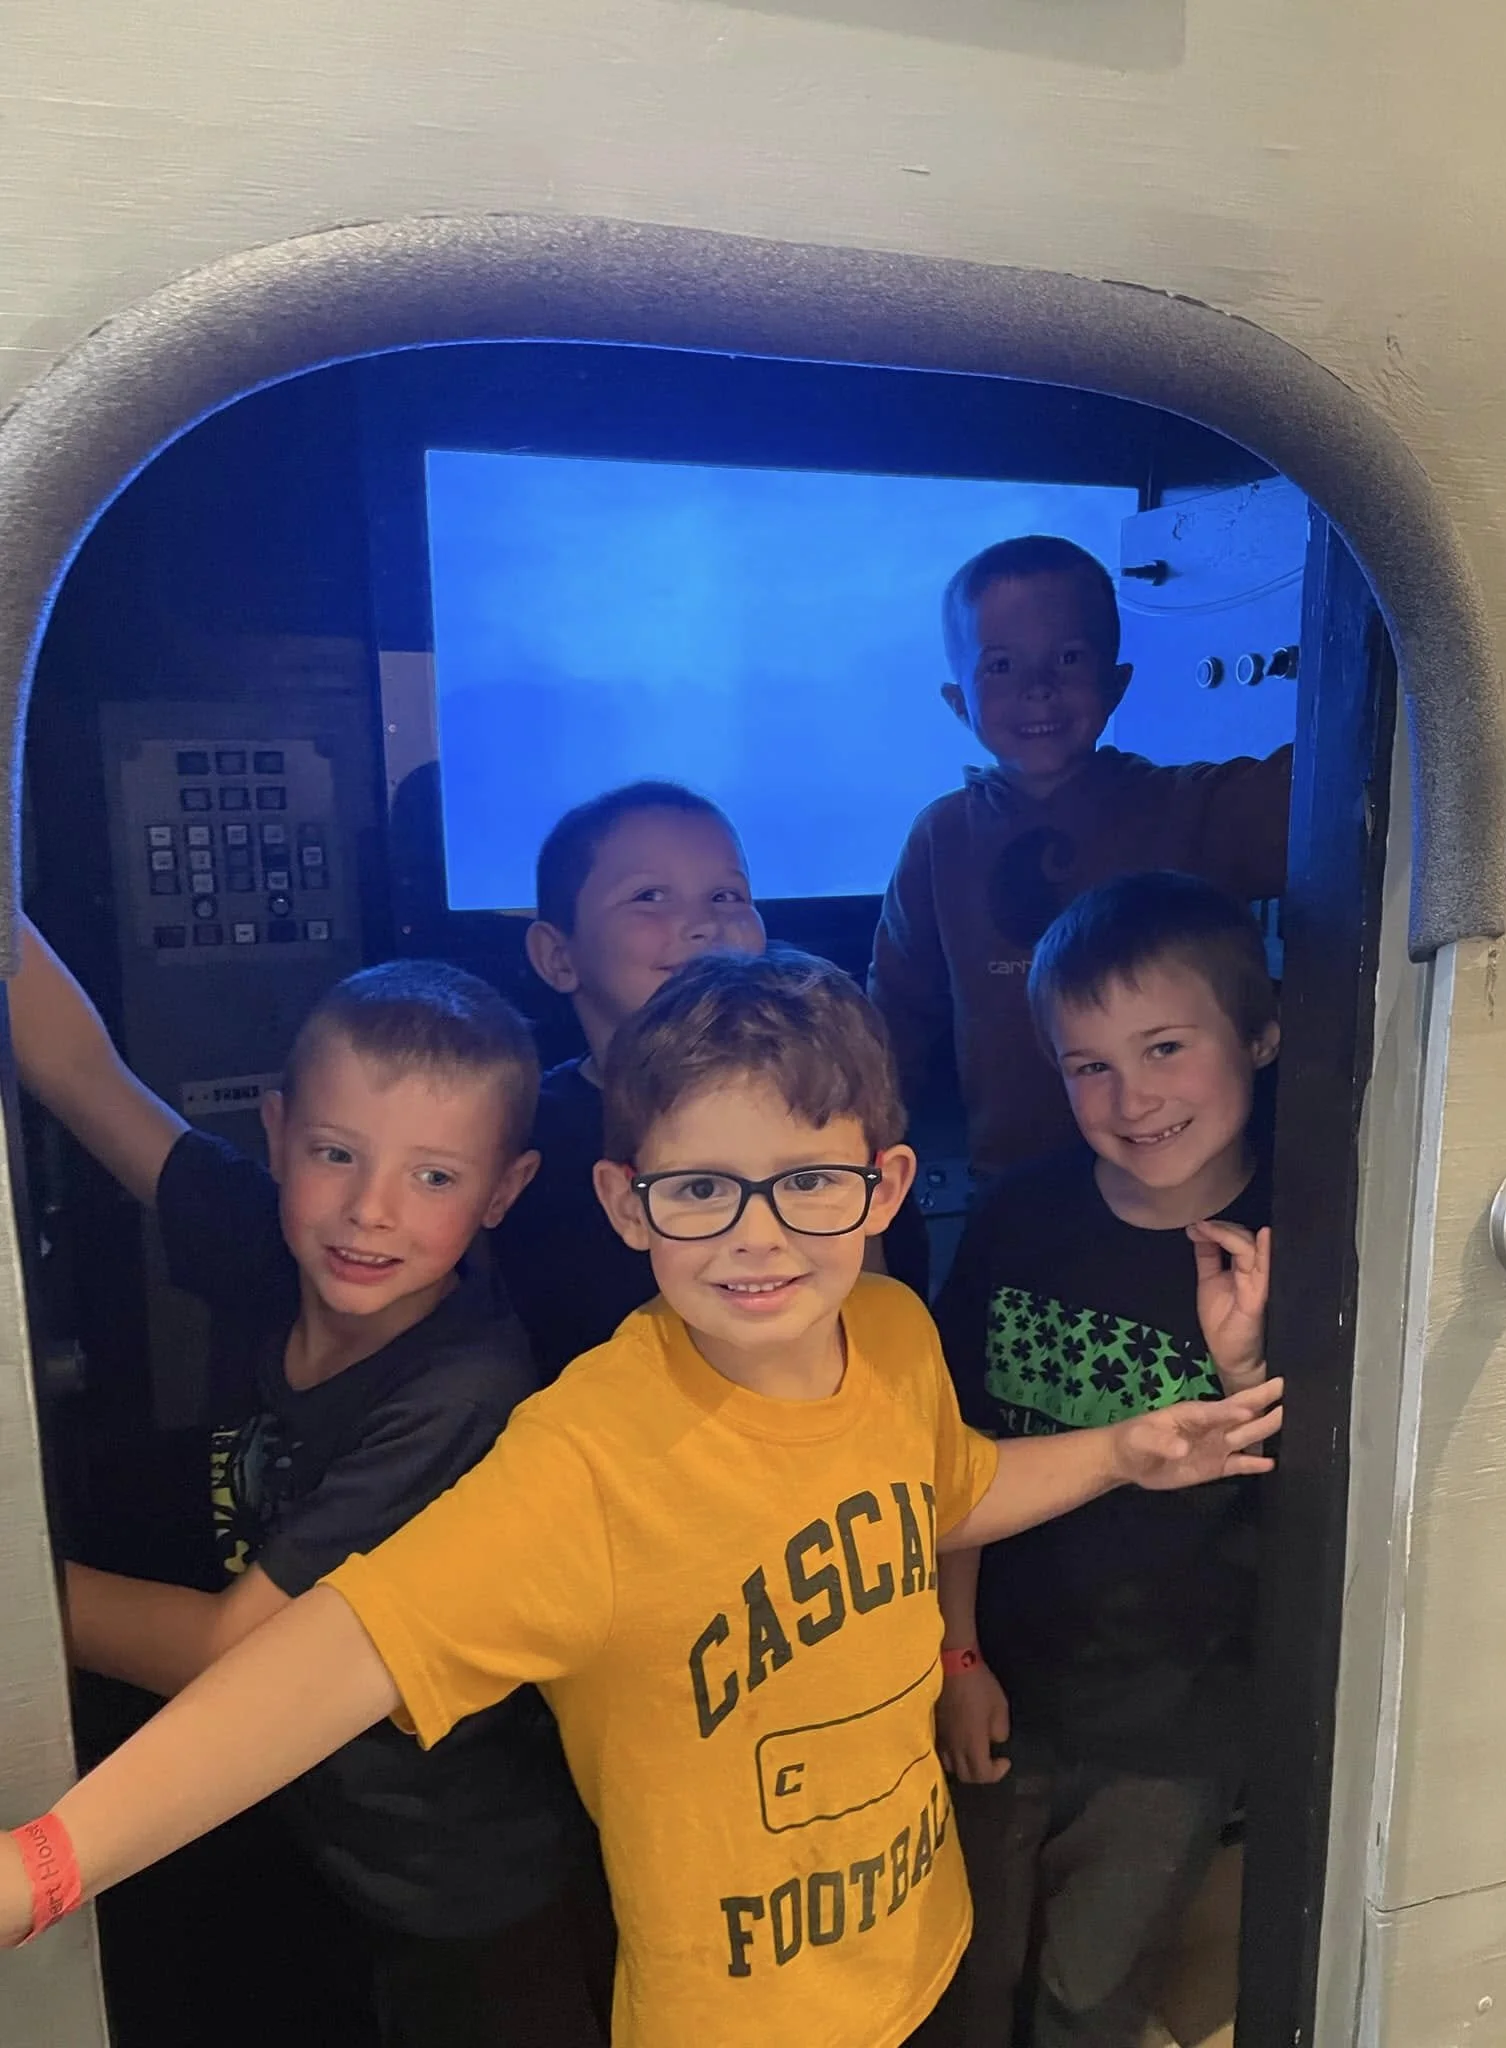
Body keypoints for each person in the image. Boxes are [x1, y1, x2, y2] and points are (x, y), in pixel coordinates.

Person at [1, 945, 1283, 2048]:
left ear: (887, 1187)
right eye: (702, 1188)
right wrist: (46, 1865)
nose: (758, 1233)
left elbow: (948, 1488)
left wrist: (1121, 1452)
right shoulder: (583, 1459)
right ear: (627, 1204)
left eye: (809, 1180)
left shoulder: (892, 1329)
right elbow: (325, 1660)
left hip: (919, 1939)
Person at [7, 920, 610, 2047]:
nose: (371, 1209)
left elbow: (231, 1651)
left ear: (504, 1189)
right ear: (279, 1134)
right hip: (315, 1827)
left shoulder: (461, 1391)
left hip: (462, 1879)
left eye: (434, 1176)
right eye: (338, 1153)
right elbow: (80, 1071)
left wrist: (21, 1593)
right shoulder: (272, 1240)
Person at [932, 872, 1279, 2047]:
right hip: (1007, 1677)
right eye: (1089, 1064)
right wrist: (957, 1650)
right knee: (968, 1970)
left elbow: (1334, 1505)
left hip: (1179, 1727)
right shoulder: (1019, 1218)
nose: (1132, 1098)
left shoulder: (1320, 1224)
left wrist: (1243, 1368)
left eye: (1167, 1046)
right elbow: (955, 1462)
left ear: (1262, 1033)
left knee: (1090, 1992)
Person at [868, 534, 1291, 1180]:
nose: (1038, 689)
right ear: (958, 703)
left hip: (1185, 1174)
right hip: (1014, 1185)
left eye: (1067, 658)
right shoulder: (940, 838)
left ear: (1116, 683)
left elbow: (1328, 784)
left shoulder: (1189, 807)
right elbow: (895, 1019)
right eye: (1001, 666)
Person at [497, 780, 926, 1375]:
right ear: (557, 956)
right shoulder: (520, 1131)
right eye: (649, 896)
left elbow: (874, 1325)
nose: (703, 924)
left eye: (726, 895)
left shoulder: (832, 1100)